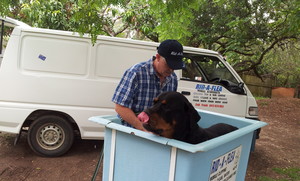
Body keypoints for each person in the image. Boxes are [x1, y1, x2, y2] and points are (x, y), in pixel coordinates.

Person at [112, 39, 184, 131]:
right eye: (168, 65)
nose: (171, 70)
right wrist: (143, 129)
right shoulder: (136, 73)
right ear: (157, 57)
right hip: (132, 133)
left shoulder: (173, 79)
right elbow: (120, 107)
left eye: (174, 66)